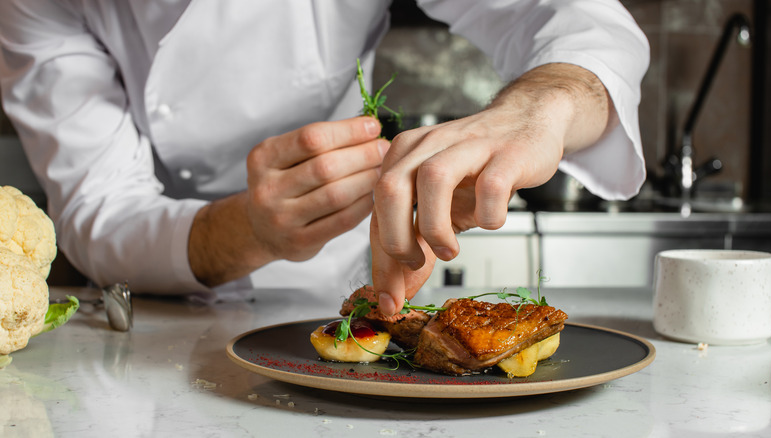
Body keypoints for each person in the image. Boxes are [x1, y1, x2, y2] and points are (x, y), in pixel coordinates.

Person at [0, 1, 649, 314]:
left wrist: (537, 108)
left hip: (326, 294)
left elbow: (582, 23)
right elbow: (97, 211)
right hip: (144, 311)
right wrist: (248, 229)